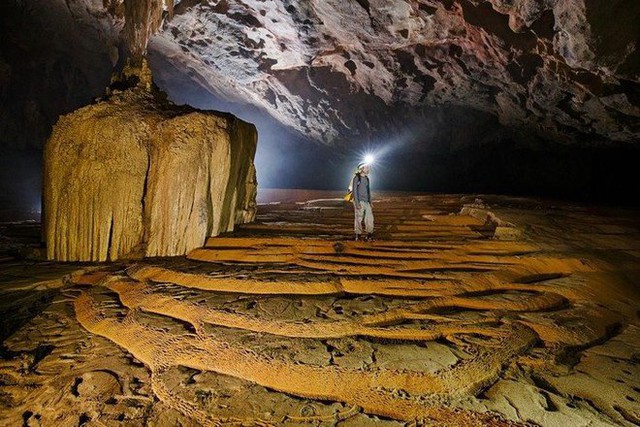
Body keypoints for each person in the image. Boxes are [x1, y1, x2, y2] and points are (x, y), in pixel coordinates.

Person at [352, 162, 374, 241]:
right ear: (362, 168)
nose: (368, 169)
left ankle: (369, 234)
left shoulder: (367, 179)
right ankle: (358, 235)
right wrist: (357, 203)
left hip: (366, 202)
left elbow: (368, 191)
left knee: (370, 218)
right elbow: (354, 191)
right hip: (359, 201)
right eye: (366, 167)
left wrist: (370, 201)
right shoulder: (357, 178)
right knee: (358, 218)